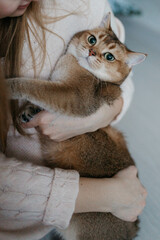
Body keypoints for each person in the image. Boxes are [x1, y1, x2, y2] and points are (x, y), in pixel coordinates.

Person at [0, 0, 147, 239]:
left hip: (100, 204)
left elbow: (124, 77)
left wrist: (108, 109)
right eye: (92, 42)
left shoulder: (88, 6)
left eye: (105, 55)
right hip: (18, 221)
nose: (93, 52)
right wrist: (104, 195)